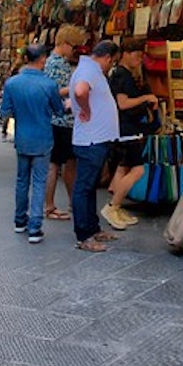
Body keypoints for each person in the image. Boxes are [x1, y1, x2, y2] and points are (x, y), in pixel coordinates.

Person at [0, 44, 65, 244]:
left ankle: (20, 220)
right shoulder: (49, 85)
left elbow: (5, 112)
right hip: (43, 137)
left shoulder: (12, 83)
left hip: (22, 137)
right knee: (38, 181)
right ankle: (35, 226)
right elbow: (59, 111)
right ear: (42, 59)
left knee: (22, 180)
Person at [69, 40, 121, 253]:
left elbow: (75, 91)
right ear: (107, 57)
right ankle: (84, 236)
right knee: (83, 188)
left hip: (93, 139)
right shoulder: (90, 71)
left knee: (88, 187)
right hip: (92, 140)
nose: (111, 65)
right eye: (113, 61)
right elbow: (81, 91)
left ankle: (92, 228)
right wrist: (85, 109)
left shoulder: (88, 69)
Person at [104, 39, 157, 231]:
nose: (139, 59)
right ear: (126, 53)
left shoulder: (122, 74)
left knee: (123, 167)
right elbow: (123, 103)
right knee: (137, 170)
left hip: (125, 128)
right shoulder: (122, 76)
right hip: (127, 129)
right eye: (137, 55)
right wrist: (146, 98)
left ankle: (116, 207)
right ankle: (112, 207)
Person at [44, 26, 85, 221]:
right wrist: (76, 86)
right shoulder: (58, 63)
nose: (74, 51)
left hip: (59, 120)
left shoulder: (51, 61)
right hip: (62, 120)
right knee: (58, 164)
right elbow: (56, 91)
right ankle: (51, 206)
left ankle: (67, 203)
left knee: (62, 164)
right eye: (73, 46)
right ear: (66, 43)